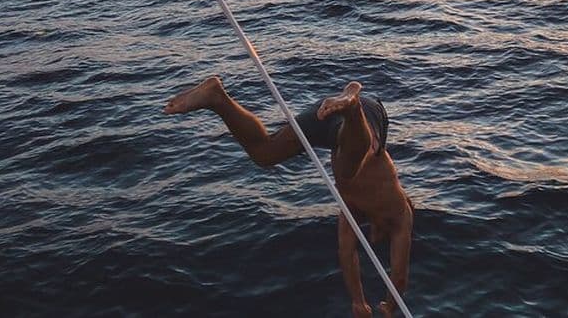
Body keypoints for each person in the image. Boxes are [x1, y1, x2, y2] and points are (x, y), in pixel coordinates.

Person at [164, 77, 412, 317]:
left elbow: (347, 252)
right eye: (380, 236)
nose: (373, 237)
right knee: (353, 165)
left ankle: (218, 98)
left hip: (327, 119)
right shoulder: (401, 215)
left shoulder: (351, 212)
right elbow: (398, 276)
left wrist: (358, 301)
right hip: (366, 116)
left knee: (265, 153)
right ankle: (352, 102)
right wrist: (388, 308)